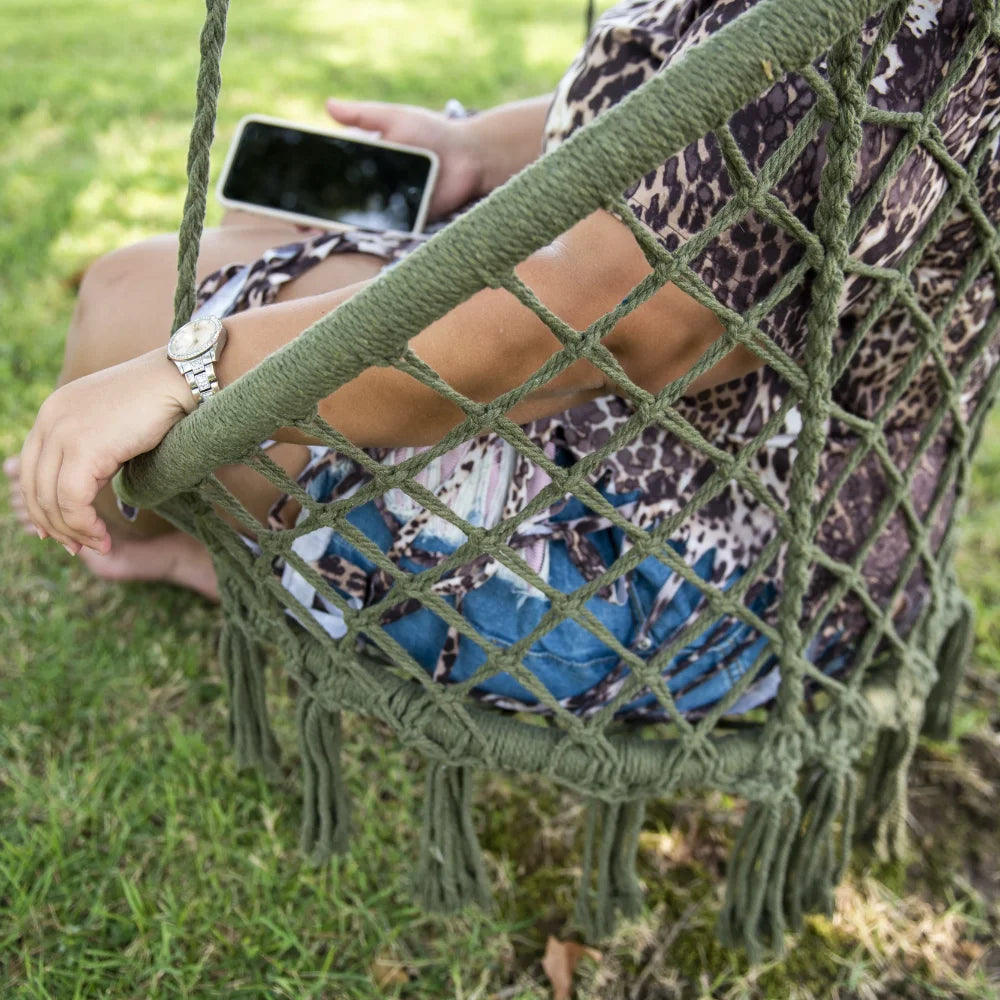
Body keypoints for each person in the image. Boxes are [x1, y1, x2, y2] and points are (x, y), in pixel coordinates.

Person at [6, 0, 999, 720]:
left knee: (134, 300)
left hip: (701, 579)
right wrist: (472, 144)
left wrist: (191, 367)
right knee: (267, 220)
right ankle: (221, 548)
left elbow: (607, 324)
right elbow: (700, 100)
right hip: (810, 513)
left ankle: (213, 557)